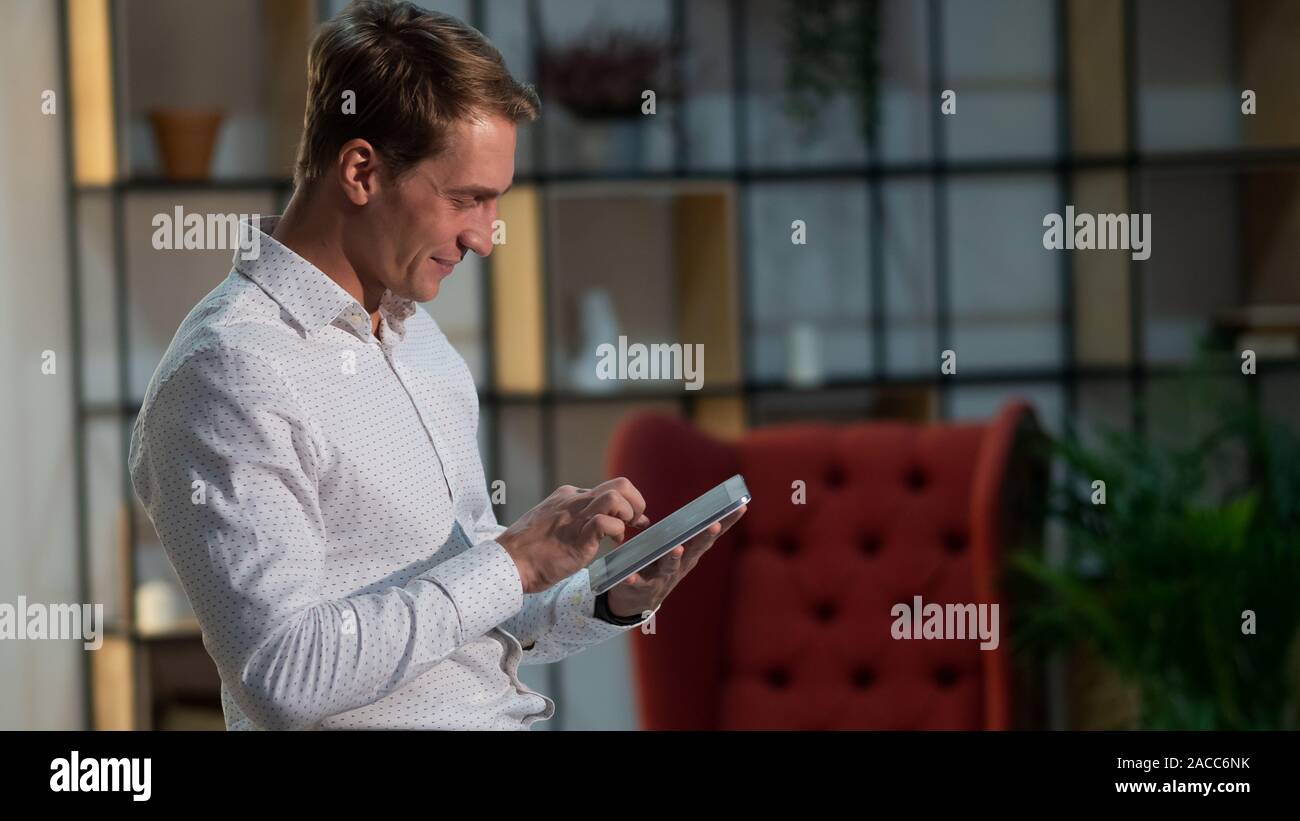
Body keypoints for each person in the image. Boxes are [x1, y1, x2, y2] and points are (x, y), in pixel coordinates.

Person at [128, 0, 744, 730]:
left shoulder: (421, 343)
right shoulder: (228, 373)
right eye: (467, 200)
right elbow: (281, 673)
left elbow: (474, 618)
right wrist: (512, 560)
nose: (485, 238)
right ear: (360, 170)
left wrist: (604, 594)